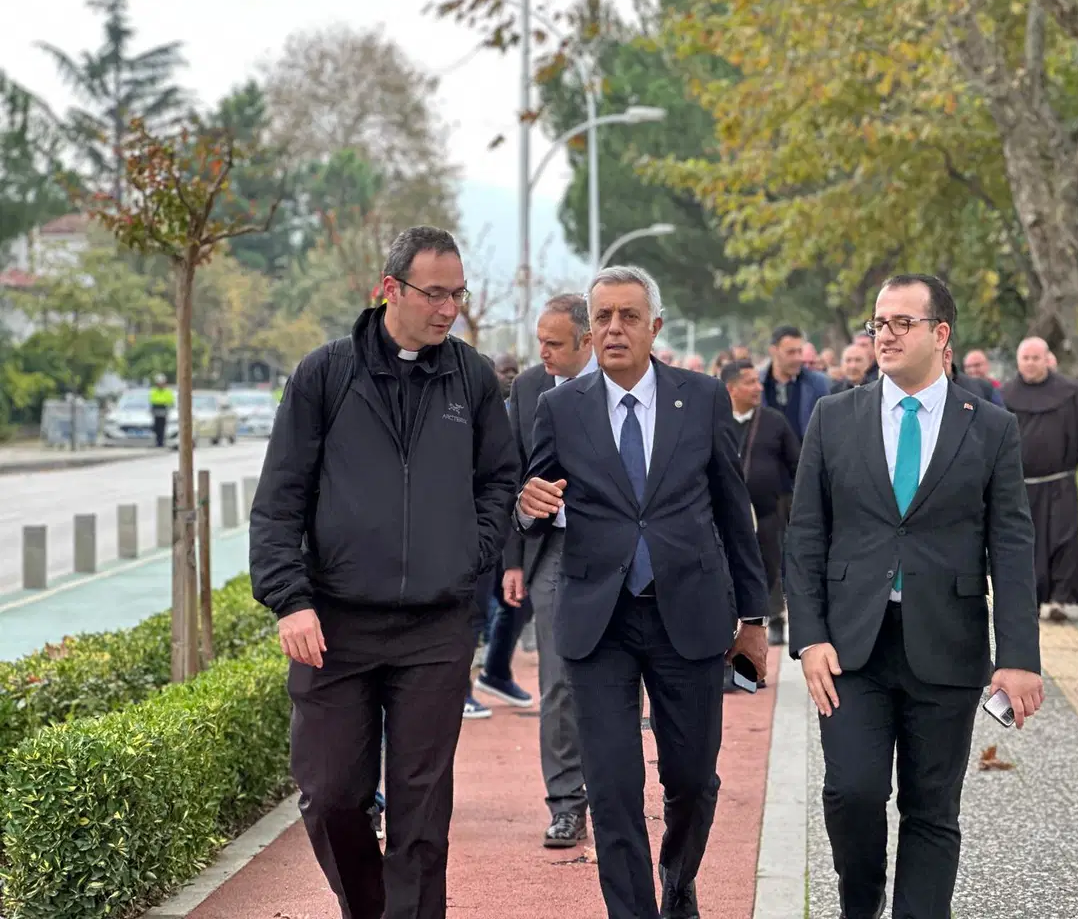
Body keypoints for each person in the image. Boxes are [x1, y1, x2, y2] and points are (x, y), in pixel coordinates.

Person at [249, 226, 520, 919]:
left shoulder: (472, 378)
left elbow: (499, 479)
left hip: (436, 628)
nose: (449, 309)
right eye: (435, 293)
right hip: (335, 627)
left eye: (458, 294)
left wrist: (469, 551)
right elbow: (279, 500)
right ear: (390, 288)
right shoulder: (324, 375)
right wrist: (290, 600)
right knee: (330, 794)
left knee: (421, 811)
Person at [786, 273, 1043, 919]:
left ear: (941, 333)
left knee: (931, 808)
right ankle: (861, 900)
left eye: (903, 322)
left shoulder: (990, 427)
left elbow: (1012, 546)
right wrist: (809, 637)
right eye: (879, 322)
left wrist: (1018, 657)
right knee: (852, 792)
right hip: (852, 650)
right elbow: (806, 535)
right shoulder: (833, 418)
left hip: (948, 646)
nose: (886, 334)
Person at [516, 265, 769, 919]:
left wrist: (754, 618)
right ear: (589, 330)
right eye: (602, 317)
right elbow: (532, 500)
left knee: (693, 779)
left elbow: (732, 508)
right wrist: (525, 506)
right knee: (612, 787)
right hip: (598, 622)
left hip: (689, 614)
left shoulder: (702, 398)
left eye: (628, 316)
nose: (614, 328)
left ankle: (678, 881)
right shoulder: (560, 408)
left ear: (655, 326)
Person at [498, 292, 597, 849]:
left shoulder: (620, 380)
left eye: (554, 343)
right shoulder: (529, 387)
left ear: (587, 341)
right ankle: (565, 803)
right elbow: (511, 475)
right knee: (557, 681)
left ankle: (613, 794)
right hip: (551, 551)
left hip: (616, 550)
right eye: (540, 341)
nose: (543, 353)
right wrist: (512, 561)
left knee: (617, 677)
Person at [1000, 336, 1078, 622]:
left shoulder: (1069, 391)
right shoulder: (1005, 394)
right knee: (1027, 543)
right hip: (1021, 486)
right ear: (1018, 361)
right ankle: (1031, 599)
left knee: (1063, 540)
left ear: (1047, 359)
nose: (1030, 363)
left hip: (1060, 482)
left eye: (1035, 358)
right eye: (1025, 358)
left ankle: (1060, 599)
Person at [721, 360, 799, 649]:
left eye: (758, 381)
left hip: (766, 513)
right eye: (750, 382)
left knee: (768, 570)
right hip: (726, 517)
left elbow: (797, 464)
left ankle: (773, 621)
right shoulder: (715, 421)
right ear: (731, 388)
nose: (758, 387)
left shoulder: (774, 421)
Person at [761, 325, 830, 439]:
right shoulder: (758, 384)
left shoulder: (818, 383)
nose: (798, 358)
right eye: (791, 352)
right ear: (773, 351)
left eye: (800, 351)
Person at [149, 374, 174, 448]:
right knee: (156, 427)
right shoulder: (154, 391)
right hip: (156, 409)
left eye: (161, 383)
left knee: (162, 427)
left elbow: (170, 401)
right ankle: (157, 441)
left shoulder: (167, 391)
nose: (160, 385)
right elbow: (152, 400)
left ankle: (161, 442)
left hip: (163, 409)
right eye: (159, 383)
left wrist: (164, 403)